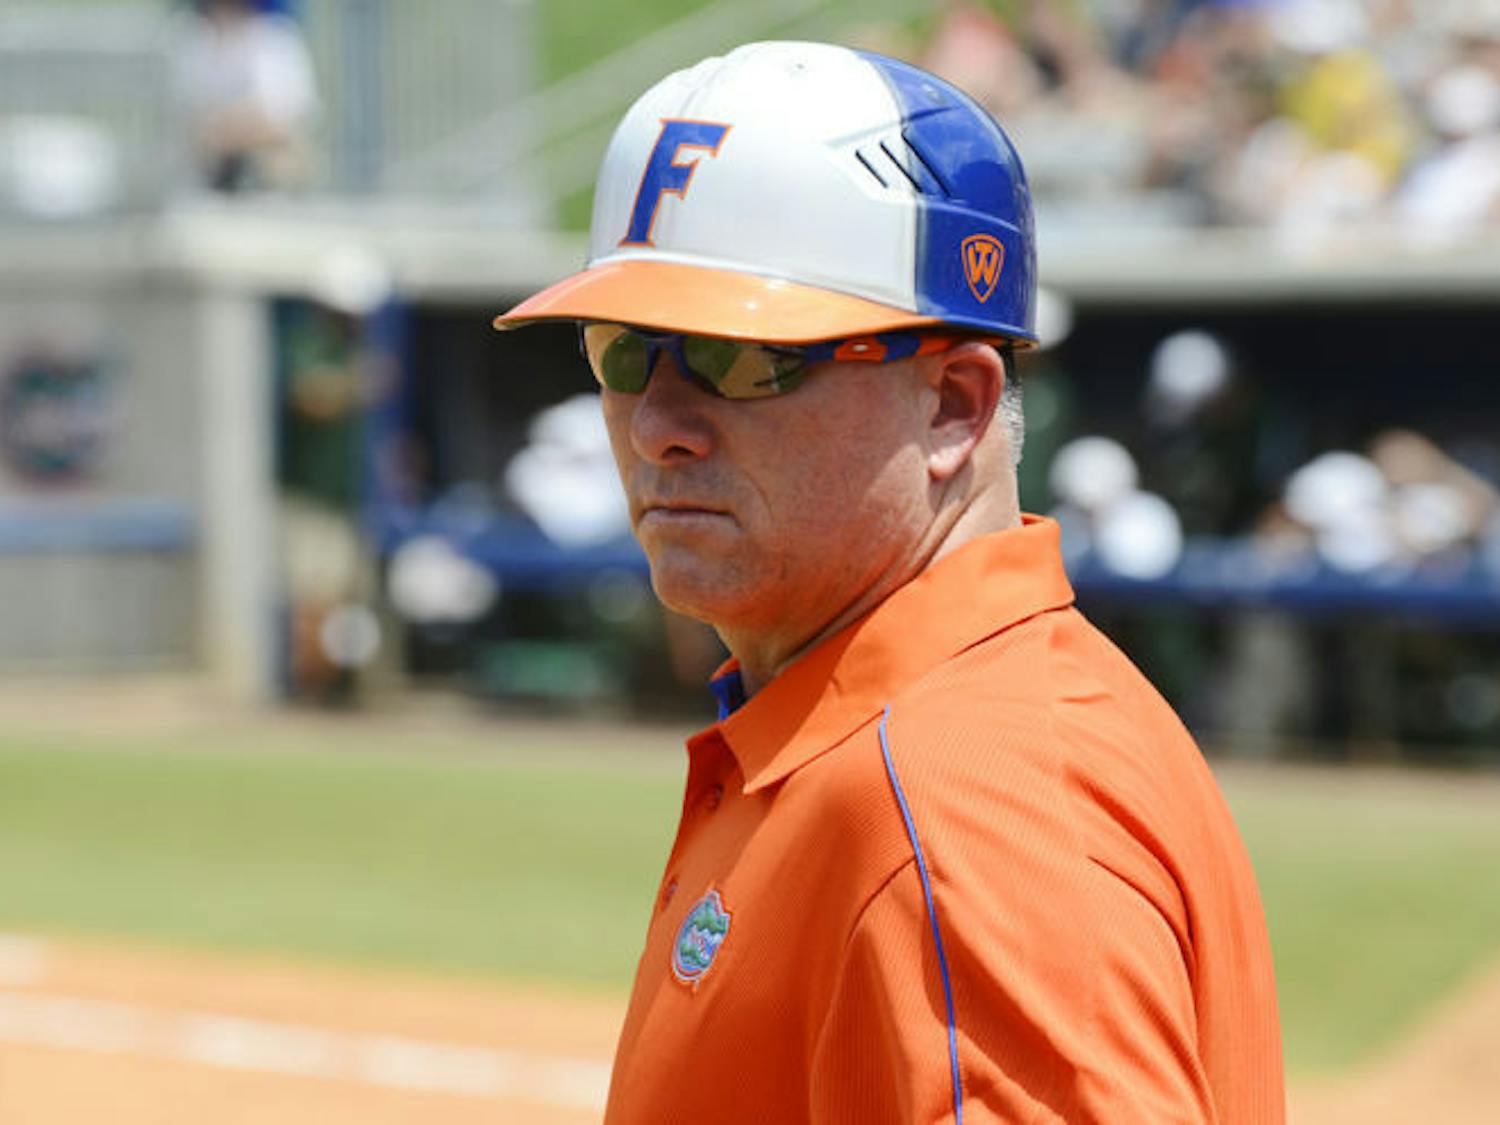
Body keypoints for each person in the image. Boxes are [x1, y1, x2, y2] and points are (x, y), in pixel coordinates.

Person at [495, 41, 1284, 1123]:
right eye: (624, 351)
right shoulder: (901, 730)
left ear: (953, 404)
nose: (658, 425)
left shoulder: (966, 807)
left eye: (742, 359)